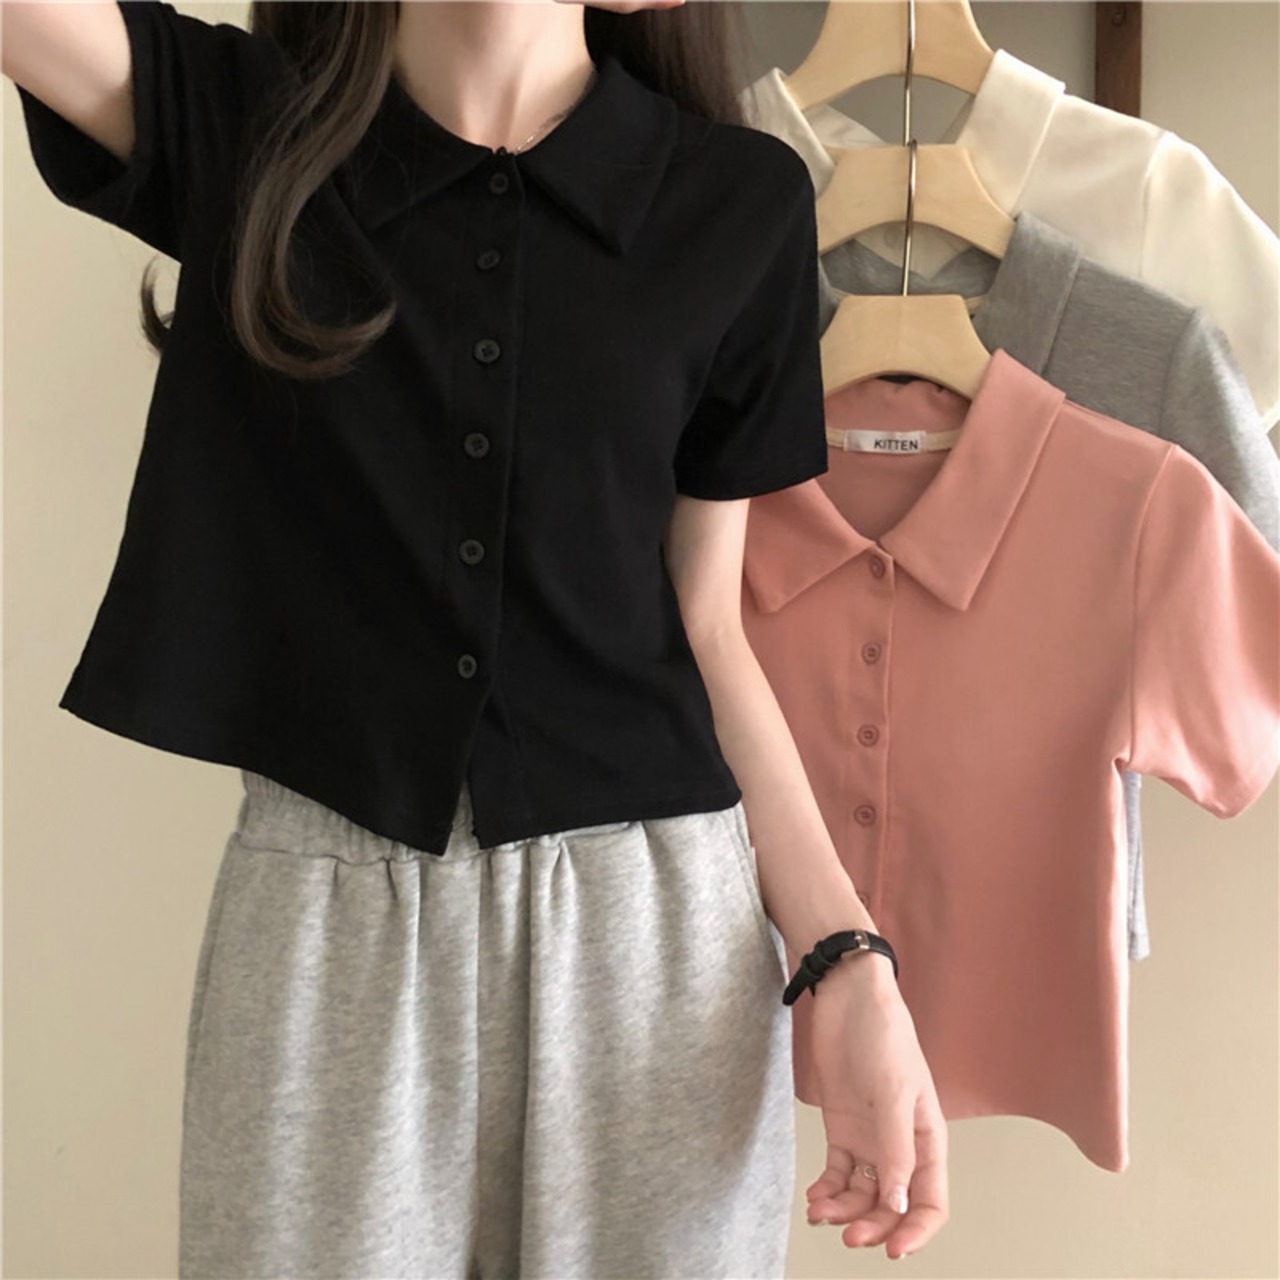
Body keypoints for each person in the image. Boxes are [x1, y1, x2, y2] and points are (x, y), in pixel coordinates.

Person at [3, 1, 949, 1274]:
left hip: (652, 937)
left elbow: (706, 627)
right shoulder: (249, 134)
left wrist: (845, 957)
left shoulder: (736, 203)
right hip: (329, 925)